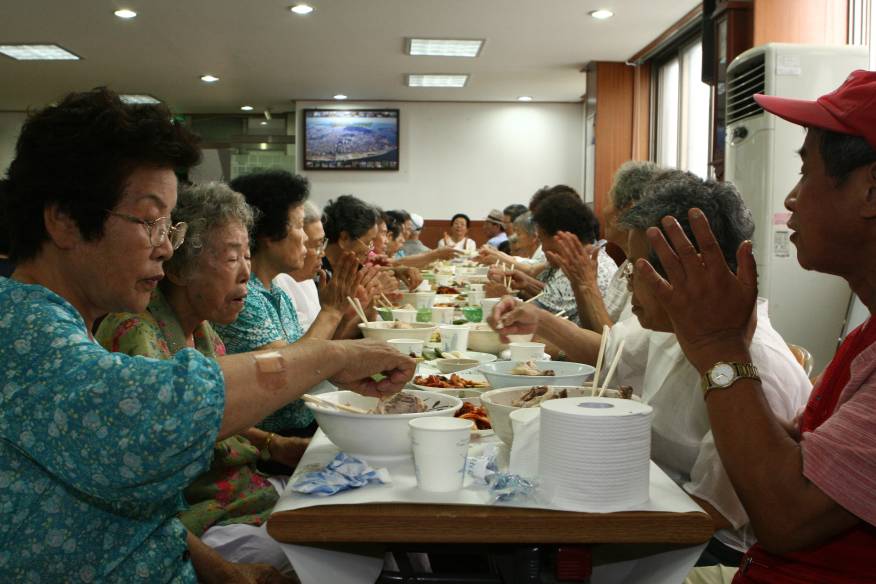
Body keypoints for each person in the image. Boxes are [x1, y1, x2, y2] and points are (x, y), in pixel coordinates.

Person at [0, 87, 414, 582]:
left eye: (168, 228)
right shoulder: (21, 330)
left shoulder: (67, 327)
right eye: (150, 222)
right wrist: (329, 356)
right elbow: (163, 409)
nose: (163, 249)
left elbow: (139, 511)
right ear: (65, 221)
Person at [490, 173, 811, 566]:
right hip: (654, 497)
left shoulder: (754, 366)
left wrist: (590, 506)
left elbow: (714, 513)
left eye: (632, 270)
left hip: (706, 546)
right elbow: (611, 353)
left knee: (523, 537)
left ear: (681, 274)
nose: (624, 282)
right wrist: (539, 321)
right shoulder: (677, 327)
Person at [631, 70, 876, 583]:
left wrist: (721, 351)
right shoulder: (864, 338)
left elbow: (786, 516)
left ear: (871, 193)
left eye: (806, 172)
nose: (791, 199)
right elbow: (810, 458)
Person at [95, 182, 303, 576]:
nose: (246, 272)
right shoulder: (135, 334)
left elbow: (214, 416)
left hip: (246, 495)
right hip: (206, 522)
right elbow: (141, 495)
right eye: (231, 257)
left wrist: (276, 444)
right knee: (340, 545)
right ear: (178, 267)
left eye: (246, 254)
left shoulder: (204, 329)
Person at [213, 171, 372, 438]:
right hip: (280, 440)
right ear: (270, 234)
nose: (305, 241)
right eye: (299, 226)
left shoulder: (276, 289)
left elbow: (311, 353)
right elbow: (293, 371)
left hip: (310, 422)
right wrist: (331, 311)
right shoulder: (242, 298)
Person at [549, 162, 669, 332]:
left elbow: (617, 349)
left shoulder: (650, 272)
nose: (603, 211)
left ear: (629, 208)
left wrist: (587, 286)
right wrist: (581, 286)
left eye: (608, 200)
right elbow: (598, 333)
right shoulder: (625, 267)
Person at [495, 191, 617, 323]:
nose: (542, 248)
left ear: (560, 238)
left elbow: (532, 314)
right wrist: (526, 285)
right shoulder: (580, 261)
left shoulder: (586, 269)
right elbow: (551, 298)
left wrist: (501, 295)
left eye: (542, 240)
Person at [274, 200, 325, 332]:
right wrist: (332, 310)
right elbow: (304, 349)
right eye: (317, 245)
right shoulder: (278, 283)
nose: (323, 253)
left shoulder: (308, 281)